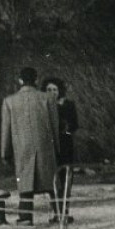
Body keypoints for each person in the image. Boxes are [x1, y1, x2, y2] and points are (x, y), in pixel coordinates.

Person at [0, 66, 60, 224]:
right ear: (36, 80)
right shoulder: (48, 98)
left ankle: (26, 216)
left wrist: (5, 152)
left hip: (22, 148)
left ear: (20, 80)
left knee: (25, 183)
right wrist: (57, 149)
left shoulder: (9, 101)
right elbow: (55, 126)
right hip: (45, 147)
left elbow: (6, 130)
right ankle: (59, 213)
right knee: (51, 182)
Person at [42, 76, 79, 213]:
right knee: (53, 179)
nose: (52, 92)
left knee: (66, 178)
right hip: (49, 146)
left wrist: (67, 131)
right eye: (49, 89)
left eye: (55, 89)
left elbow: (75, 125)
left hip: (65, 145)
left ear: (60, 91)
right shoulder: (43, 105)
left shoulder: (68, 104)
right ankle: (55, 210)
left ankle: (64, 210)